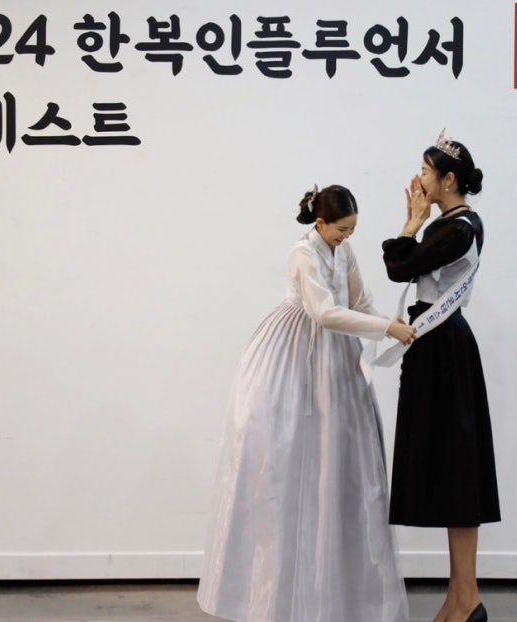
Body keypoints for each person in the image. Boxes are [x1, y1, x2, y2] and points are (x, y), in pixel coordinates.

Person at [197, 185, 415, 622]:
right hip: (295, 353)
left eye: (352, 230)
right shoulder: (302, 254)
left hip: (337, 358)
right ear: (320, 222)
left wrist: (389, 327)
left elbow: (359, 301)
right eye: (340, 230)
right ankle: (276, 591)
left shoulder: (343, 251)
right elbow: (324, 312)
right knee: (288, 460)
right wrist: (384, 328)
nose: (346, 237)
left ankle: (339, 590)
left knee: (340, 460)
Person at [382, 131, 501, 622]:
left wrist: (411, 224)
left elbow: (398, 266)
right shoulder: (451, 224)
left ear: (448, 180)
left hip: (445, 349)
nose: (419, 180)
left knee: (458, 469)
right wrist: (417, 223)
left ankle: (467, 599)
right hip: (438, 346)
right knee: (452, 468)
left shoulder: (457, 230)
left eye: (426, 172)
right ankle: (459, 598)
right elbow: (405, 267)